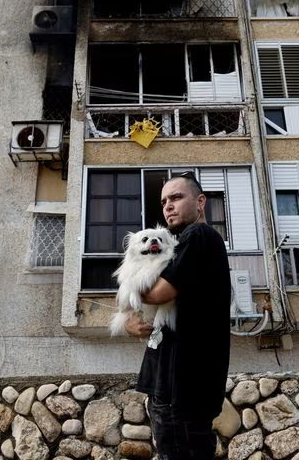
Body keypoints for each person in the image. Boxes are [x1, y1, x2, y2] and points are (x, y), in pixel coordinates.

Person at [124, 172, 231, 460]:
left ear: (200, 202)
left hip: (182, 392)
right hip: (172, 388)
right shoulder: (178, 246)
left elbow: (159, 293)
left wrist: (131, 292)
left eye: (176, 197)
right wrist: (129, 315)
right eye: (163, 202)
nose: (168, 206)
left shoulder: (199, 236)